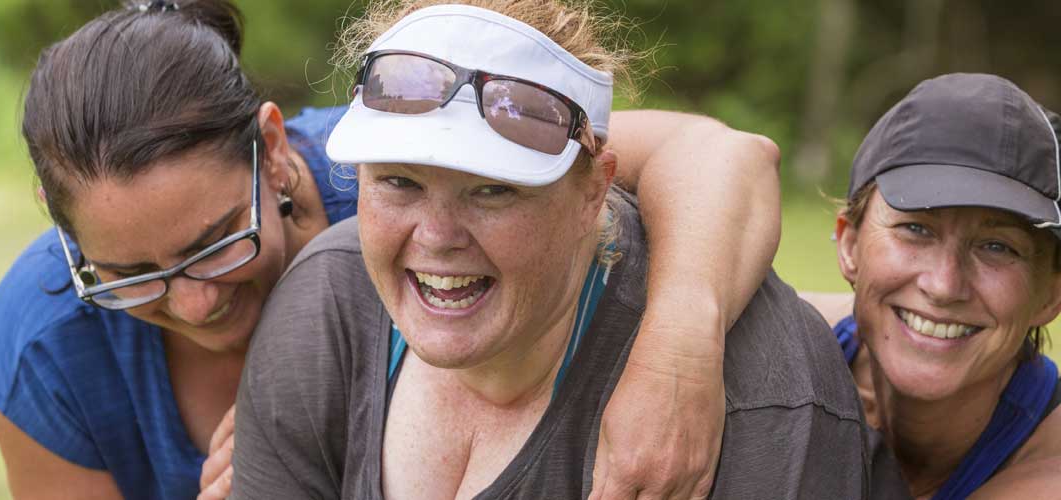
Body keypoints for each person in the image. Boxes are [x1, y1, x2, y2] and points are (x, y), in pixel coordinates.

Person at [0, 0, 786, 498]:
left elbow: (727, 158)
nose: (194, 302)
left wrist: (679, 355)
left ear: (272, 148)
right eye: (134, 276)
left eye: (215, 244)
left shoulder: (409, 187)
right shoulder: (43, 342)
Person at [230, 2, 874, 499]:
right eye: (399, 181)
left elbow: (733, 154)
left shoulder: (762, 395)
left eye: (492, 191)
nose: (436, 235)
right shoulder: (327, 307)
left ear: (595, 189)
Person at [800, 73, 1061, 498]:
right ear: (850, 244)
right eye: (915, 228)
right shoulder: (789, 343)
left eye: (998, 246)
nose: (944, 285)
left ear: (1054, 294)